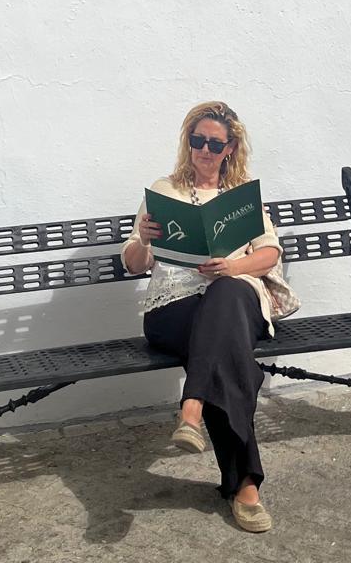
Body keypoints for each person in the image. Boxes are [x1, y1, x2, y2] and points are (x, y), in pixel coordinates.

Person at [122, 101, 288, 534]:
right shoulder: (165, 190)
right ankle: (246, 487)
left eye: (216, 143)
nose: (205, 150)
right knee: (229, 358)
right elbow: (134, 264)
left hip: (234, 300)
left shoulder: (242, 196)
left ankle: (193, 407)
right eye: (198, 140)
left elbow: (270, 254)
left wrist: (231, 267)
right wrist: (142, 239)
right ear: (188, 142)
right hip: (172, 310)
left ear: (230, 147)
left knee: (226, 294)